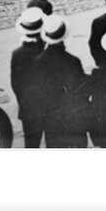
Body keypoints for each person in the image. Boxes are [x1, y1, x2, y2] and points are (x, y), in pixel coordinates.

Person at [35, 15, 88, 148]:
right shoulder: (72, 61)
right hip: (72, 118)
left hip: (51, 119)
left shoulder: (38, 61)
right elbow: (80, 91)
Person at [10, 8, 47, 148]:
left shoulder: (17, 54)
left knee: (31, 144)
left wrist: (24, 103)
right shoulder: (45, 51)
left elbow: (16, 84)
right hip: (48, 108)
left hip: (28, 109)